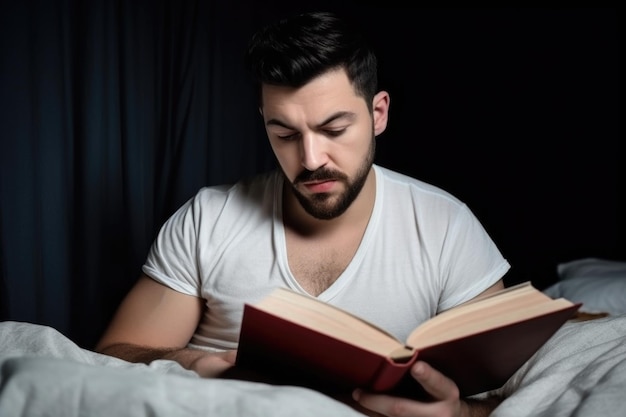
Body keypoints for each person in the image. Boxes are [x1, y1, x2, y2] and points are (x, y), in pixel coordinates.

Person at [95, 10, 510, 417]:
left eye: (334, 130)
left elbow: (513, 393)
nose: (310, 159)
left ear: (377, 114)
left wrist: (460, 414)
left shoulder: (446, 227)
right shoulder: (208, 219)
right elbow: (112, 357)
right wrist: (193, 364)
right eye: (286, 134)